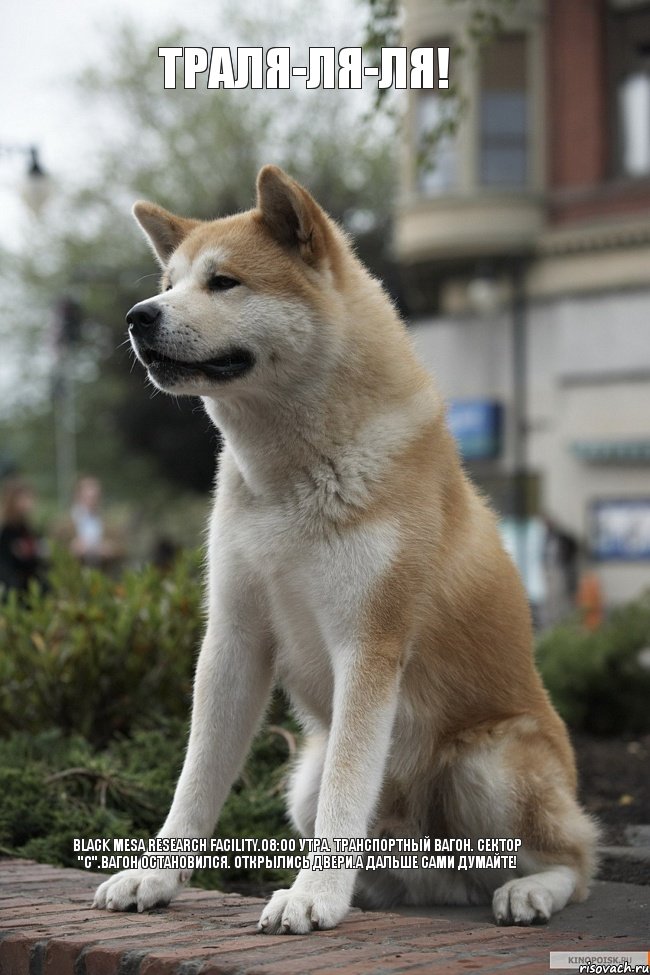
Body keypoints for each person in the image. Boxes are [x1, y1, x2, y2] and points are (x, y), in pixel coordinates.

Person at [0, 477, 46, 593]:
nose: (30, 503)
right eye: (25, 498)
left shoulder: (28, 528)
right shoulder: (6, 529)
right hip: (12, 587)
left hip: (30, 585)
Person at [69, 476, 121, 569]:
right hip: (73, 576)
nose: (91, 501)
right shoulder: (64, 524)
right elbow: (52, 549)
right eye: (87, 497)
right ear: (77, 496)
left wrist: (110, 549)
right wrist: (72, 548)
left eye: (95, 497)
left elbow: (123, 548)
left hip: (103, 573)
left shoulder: (110, 523)